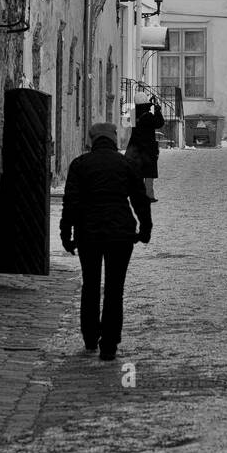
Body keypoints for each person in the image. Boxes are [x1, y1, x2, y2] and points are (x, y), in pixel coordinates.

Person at [60, 121, 152, 361]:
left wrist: (66, 233)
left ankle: (90, 337)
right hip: (120, 233)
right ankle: (109, 344)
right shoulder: (126, 164)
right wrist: (145, 228)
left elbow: (71, 203)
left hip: (88, 232)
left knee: (90, 285)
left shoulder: (80, 165)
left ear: (92, 140)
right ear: (113, 140)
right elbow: (139, 199)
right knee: (114, 289)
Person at [123, 91, 164, 202]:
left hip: (135, 146)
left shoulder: (132, 112)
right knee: (149, 172)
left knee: (136, 171)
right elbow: (160, 123)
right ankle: (149, 195)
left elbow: (125, 125)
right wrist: (157, 110)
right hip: (148, 147)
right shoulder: (149, 114)